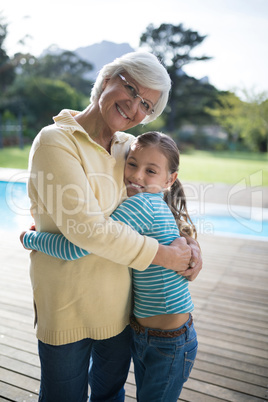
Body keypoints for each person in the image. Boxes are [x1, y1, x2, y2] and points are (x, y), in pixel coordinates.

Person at [22, 51, 202, 402]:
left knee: (110, 396)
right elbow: (87, 230)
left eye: (146, 105)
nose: (135, 108)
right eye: (132, 90)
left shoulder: (126, 147)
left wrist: (192, 247)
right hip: (67, 307)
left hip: (122, 311)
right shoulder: (55, 141)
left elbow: (159, 200)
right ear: (107, 79)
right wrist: (165, 255)